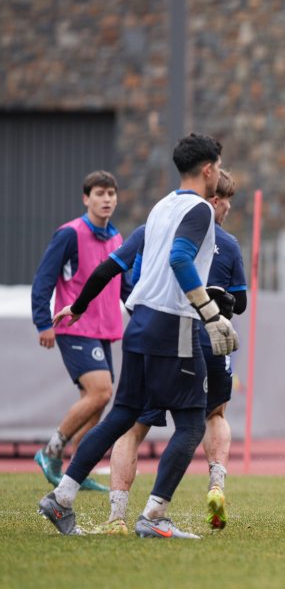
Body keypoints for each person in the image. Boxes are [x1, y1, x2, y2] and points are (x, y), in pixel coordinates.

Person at [38, 133, 238, 538]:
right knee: (190, 425)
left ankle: (61, 498)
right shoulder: (200, 209)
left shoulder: (161, 207)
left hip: (139, 324)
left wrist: (77, 307)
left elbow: (111, 265)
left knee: (122, 416)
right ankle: (155, 516)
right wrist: (211, 314)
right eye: (218, 165)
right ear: (209, 169)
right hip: (174, 327)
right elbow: (181, 258)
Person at [99, 169, 247, 535]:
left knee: (134, 425)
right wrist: (220, 303)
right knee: (213, 415)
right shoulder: (226, 243)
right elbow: (239, 302)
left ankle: (117, 513)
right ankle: (214, 486)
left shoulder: (157, 229)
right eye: (226, 199)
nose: (228, 206)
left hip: (158, 334)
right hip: (201, 338)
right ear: (214, 199)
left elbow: (127, 277)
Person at [30, 170, 128, 492]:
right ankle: (50, 451)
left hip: (104, 329)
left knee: (98, 401)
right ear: (86, 198)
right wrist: (43, 322)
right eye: (99, 193)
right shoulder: (69, 234)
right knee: (100, 391)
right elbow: (44, 279)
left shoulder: (116, 239)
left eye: (111, 194)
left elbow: (126, 286)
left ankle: (77, 469)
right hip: (74, 326)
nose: (107, 199)